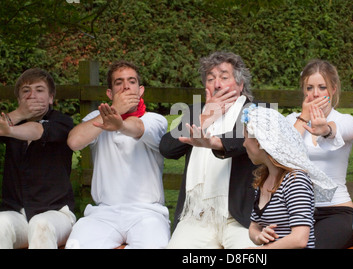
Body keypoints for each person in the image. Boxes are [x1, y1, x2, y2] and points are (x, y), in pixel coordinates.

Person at [65, 60, 170, 249]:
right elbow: (74, 142)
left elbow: (138, 127)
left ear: (141, 90)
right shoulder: (94, 120)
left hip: (147, 213)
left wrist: (120, 124)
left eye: (131, 81)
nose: (126, 86)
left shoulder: (155, 120)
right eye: (118, 82)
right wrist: (115, 112)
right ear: (109, 93)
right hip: (104, 213)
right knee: (75, 245)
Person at [160, 51, 258, 249]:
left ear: (240, 85)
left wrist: (214, 143)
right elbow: (167, 148)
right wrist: (205, 118)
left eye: (224, 77)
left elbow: (243, 140)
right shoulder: (196, 112)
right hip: (198, 216)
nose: (217, 84)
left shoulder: (255, 111)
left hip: (240, 219)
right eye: (211, 78)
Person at [285, 59, 353, 248]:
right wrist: (304, 118)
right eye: (309, 88)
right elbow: (282, 154)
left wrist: (324, 129)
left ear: (333, 89)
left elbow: (335, 130)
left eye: (322, 87)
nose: (315, 93)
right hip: (295, 211)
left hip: (336, 210)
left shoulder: (346, 120)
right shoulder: (292, 120)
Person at [0, 68, 76, 249]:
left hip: (56, 214)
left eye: (39, 90)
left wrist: (9, 130)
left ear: (51, 98)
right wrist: (19, 114)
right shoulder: (11, 120)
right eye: (26, 91)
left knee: (40, 224)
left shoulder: (63, 122)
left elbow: (38, 131)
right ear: (19, 100)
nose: (32, 95)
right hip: (17, 213)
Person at [242, 105, 337, 249]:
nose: (243, 144)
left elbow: (299, 239)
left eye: (245, 138)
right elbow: (253, 227)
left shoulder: (295, 181)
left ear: (258, 141)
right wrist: (258, 236)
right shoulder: (263, 180)